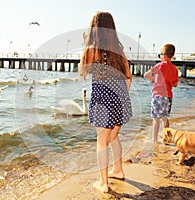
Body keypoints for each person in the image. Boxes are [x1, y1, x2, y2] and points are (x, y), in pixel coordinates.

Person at [78, 11, 132, 193]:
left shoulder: (93, 49)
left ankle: (104, 183)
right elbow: (128, 77)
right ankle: (118, 170)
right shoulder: (119, 50)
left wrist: (85, 44)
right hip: (120, 99)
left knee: (102, 142)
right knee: (114, 137)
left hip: (103, 100)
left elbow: (83, 71)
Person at [143, 44, 178, 144]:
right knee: (165, 118)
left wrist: (153, 79)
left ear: (164, 55)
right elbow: (175, 84)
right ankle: (165, 138)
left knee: (156, 119)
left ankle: (155, 140)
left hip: (158, 95)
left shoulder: (160, 65)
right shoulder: (174, 69)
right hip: (168, 96)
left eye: (160, 55)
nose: (160, 57)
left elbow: (146, 74)